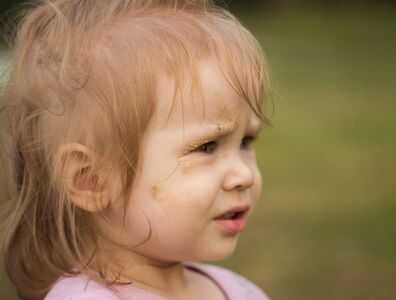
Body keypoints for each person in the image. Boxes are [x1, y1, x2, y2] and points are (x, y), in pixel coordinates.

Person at [0, 0, 271, 299]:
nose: (244, 175)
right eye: (206, 147)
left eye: (246, 142)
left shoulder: (239, 291)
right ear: (91, 180)